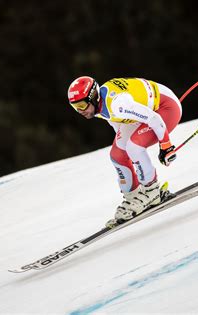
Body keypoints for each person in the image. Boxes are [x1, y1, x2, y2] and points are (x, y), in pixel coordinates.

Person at [67, 76, 182, 226]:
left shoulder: (118, 105)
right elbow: (119, 127)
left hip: (165, 108)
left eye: (82, 105)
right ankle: (133, 196)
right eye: (75, 107)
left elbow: (154, 118)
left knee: (134, 146)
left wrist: (166, 146)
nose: (80, 111)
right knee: (117, 155)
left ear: (93, 97)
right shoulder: (100, 106)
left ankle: (151, 191)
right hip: (148, 110)